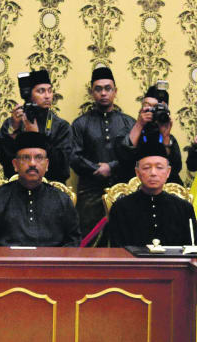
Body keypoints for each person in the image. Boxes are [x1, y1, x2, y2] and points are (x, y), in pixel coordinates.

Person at [0, 132, 79, 247]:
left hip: (50, 263)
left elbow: (73, 241)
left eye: (38, 158)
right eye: (26, 157)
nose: (32, 163)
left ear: (47, 165)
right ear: (15, 164)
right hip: (8, 263)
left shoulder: (62, 199)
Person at [71, 67, 135, 239]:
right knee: (88, 241)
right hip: (90, 194)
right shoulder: (80, 123)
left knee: (122, 239)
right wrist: (97, 168)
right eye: (98, 89)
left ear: (115, 91)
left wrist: (111, 167)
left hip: (123, 191)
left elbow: (134, 157)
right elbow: (74, 157)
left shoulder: (129, 123)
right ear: (92, 92)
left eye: (108, 88)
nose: (103, 93)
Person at [107, 141, 197, 247]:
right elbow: (117, 252)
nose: (153, 173)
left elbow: (192, 251)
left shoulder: (184, 208)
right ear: (137, 173)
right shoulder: (121, 207)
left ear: (168, 172)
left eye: (159, 167)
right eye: (146, 168)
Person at [0, 68, 72, 184]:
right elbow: (4, 159)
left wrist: (37, 136)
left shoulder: (61, 126)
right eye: (41, 91)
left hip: (51, 189)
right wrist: (14, 130)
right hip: (18, 187)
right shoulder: (14, 122)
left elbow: (62, 168)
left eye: (50, 91)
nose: (47, 96)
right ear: (29, 95)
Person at [119, 84, 183, 185]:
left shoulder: (168, 138)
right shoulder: (132, 132)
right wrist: (139, 124)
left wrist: (165, 136)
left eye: (156, 108)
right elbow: (123, 160)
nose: (152, 112)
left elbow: (175, 168)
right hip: (134, 187)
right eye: (147, 105)